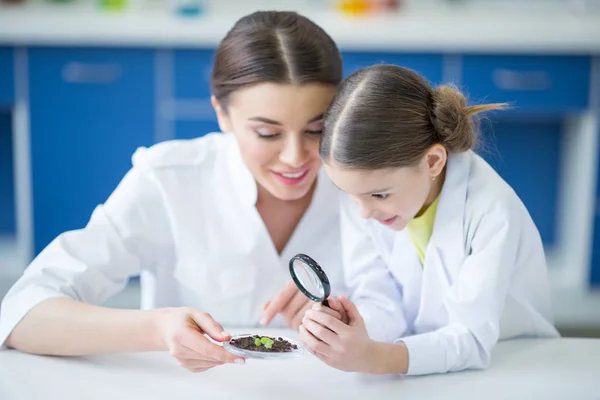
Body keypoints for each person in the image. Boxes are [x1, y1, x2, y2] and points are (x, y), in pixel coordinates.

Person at [0, 10, 347, 373]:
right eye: (267, 133)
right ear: (222, 114)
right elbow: (21, 313)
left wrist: (355, 319)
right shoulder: (170, 180)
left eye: (316, 129)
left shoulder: (371, 187)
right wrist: (158, 328)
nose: (295, 157)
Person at [299, 64, 559, 375]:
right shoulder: (363, 194)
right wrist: (355, 325)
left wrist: (374, 358)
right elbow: (379, 294)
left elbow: (472, 339)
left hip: (512, 363)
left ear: (433, 161)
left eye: (379, 195)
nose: (363, 212)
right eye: (348, 192)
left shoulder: (491, 211)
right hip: (423, 362)